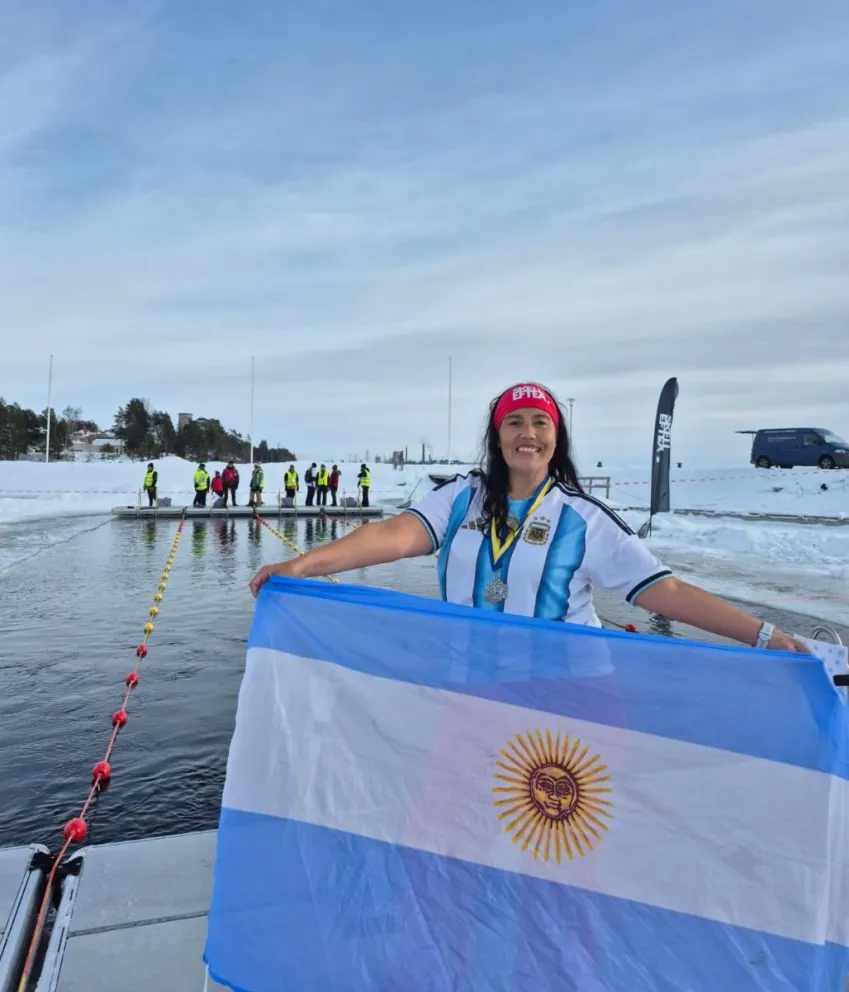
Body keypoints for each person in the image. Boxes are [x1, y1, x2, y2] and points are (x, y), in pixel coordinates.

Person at [250, 381, 809, 654]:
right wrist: (302, 566)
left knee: (554, 846)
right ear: (498, 436)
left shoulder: (582, 518)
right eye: (514, 421)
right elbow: (394, 535)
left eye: (540, 423)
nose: (528, 433)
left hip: (567, 700)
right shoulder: (460, 498)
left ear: (555, 437)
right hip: (468, 687)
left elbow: (667, 592)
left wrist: (765, 636)